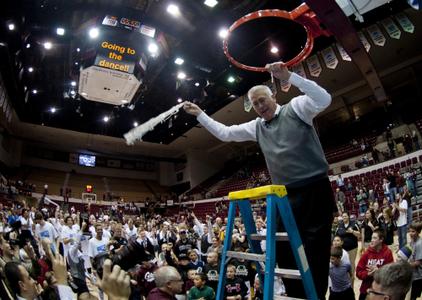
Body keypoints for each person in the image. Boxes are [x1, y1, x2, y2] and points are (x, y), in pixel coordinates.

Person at [184, 62, 335, 299]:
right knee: (284, 250)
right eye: (255, 104)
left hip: (315, 189)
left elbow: (324, 99)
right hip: (284, 196)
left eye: (262, 100)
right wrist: (200, 115)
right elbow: (225, 133)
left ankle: (316, 294)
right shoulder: (256, 127)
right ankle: (296, 295)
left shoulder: (296, 108)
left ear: (273, 95)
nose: (260, 106)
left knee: (316, 249)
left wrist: (289, 77)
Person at [356, 229, 394, 300]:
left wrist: (379, 272)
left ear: (381, 239)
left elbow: (391, 273)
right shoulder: (366, 253)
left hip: (381, 292)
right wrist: (368, 274)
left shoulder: (388, 253)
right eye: (371, 238)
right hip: (366, 290)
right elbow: (358, 272)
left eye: (374, 238)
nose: (372, 240)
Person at [408, 223, 422, 300]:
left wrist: (406, 266)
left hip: (418, 276)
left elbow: (418, 262)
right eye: (409, 231)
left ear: (418, 231)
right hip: (413, 275)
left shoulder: (419, 244)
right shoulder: (413, 240)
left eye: (413, 231)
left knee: (413, 297)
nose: (410, 233)